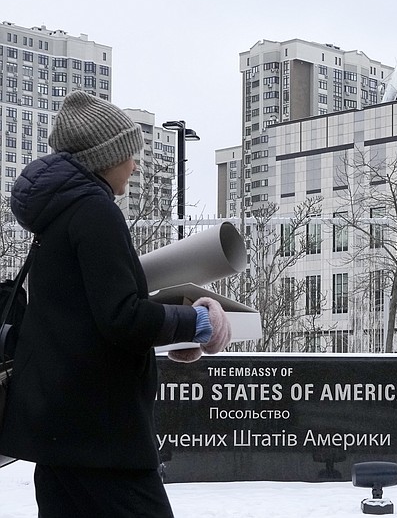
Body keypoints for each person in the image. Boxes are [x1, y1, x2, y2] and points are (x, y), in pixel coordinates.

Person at [0, 91, 232, 517]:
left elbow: (80, 320)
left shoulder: (56, 216)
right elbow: (121, 318)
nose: (136, 165)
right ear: (105, 158)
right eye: (130, 154)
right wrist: (199, 322)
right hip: (101, 439)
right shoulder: (95, 212)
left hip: (59, 430)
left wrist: (166, 328)